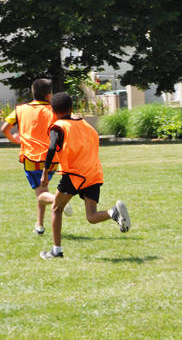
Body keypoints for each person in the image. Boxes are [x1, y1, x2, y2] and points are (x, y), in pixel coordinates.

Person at [38, 92, 130, 259]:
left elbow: (51, 148)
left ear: (52, 111)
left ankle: (56, 251)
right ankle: (112, 213)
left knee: (56, 209)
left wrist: (45, 171)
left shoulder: (58, 126)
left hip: (74, 174)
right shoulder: (86, 125)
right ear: (72, 108)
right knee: (91, 216)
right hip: (93, 173)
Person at [1, 78, 71, 235]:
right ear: (48, 94)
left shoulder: (20, 109)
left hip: (31, 159)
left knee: (41, 193)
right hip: (52, 159)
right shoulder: (54, 110)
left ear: (33, 92)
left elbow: (4, 128)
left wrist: (14, 139)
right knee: (42, 190)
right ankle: (39, 225)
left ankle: (57, 201)